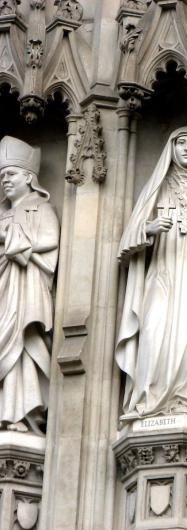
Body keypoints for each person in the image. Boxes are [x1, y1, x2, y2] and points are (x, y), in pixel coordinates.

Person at [115, 127, 187, 419]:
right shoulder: (156, 188)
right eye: (181, 143)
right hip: (161, 274)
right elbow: (125, 244)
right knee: (153, 330)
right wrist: (148, 229)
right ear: (172, 149)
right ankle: (148, 402)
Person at [0, 136, 59, 432]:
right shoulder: (3, 213)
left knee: (21, 344)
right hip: (4, 290)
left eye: (10, 174)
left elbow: (50, 240)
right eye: (1, 176)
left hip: (26, 292)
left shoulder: (40, 208)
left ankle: (20, 412)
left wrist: (10, 239)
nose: (5, 181)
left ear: (28, 177)